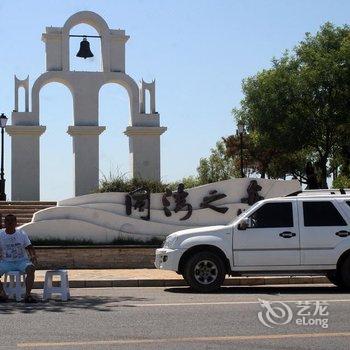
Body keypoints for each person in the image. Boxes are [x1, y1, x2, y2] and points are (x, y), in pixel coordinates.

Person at [0, 214, 38, 303]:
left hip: (21, 261)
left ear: (16, 223)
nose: (10, 222)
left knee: (31, 268)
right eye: (7, 221)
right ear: (4, 223)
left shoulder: (21, 233)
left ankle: (27, 295)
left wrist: (33, 256)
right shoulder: (0, 234)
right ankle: (2, 293)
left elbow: (29, 246)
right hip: (6, 262)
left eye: (12, 221)